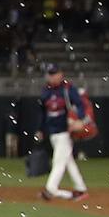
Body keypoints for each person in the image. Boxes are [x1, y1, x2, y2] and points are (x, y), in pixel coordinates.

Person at [36, 63, 92, 200]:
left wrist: (78, 120)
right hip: (53, 131)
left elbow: (80, 105)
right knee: (68, 161)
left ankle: (50, 190)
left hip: (65, 131)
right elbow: (43, 113)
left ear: (61, 74)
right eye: (50, 74)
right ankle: (81, 189)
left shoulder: (67, 89)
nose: (52, 76)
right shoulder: (46, 92)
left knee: (59, 162)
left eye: (54, 73)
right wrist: (40, 129)